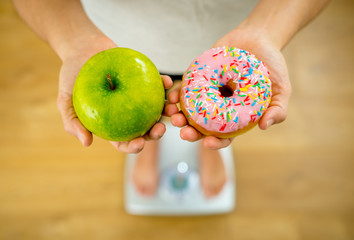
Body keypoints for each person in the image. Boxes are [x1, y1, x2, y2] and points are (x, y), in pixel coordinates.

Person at [13, 0, 329, 197]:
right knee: (151, 113)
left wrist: (267, 32)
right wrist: (73, 40)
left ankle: (208, 146)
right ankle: (149, 149)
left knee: (209, 122)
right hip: (115, 43)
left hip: (236, 33)